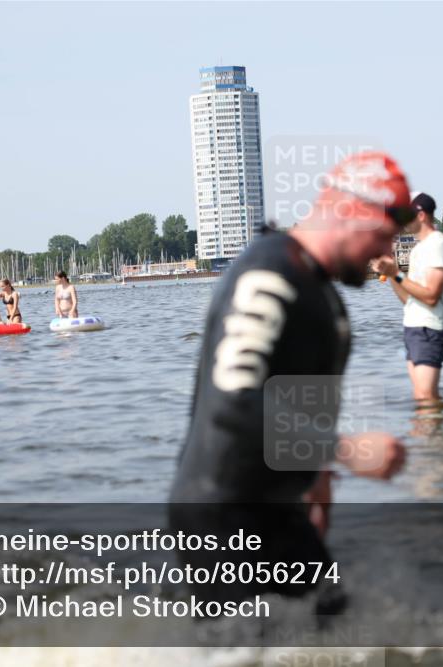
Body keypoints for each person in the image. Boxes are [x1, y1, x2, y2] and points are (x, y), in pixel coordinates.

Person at [168, 152, 410, 615]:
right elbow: (232, 401)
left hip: (279, 511)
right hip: (222, 513)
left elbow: (298, 400)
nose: (385, 257)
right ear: (348, 211)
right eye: (382, 238)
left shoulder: (323, 297)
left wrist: (316, 483)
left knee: (334, 624)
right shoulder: (269, 274)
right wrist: (347, 451)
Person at [371, 193, 443, 403]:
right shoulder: (419, 249)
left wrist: (398, 275)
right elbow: (408, 299)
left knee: (425, 397)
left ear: (420, 215)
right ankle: (433, 433)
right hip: (413, 327)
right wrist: (392, 273)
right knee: (423, 397)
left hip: (430, 328)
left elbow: (430, 297)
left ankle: (440, 433)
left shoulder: (438, 244)